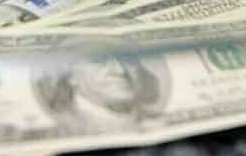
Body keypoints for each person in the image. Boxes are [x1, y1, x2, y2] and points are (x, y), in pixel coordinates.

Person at [33, 42, 170, 134]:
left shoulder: (158, 119)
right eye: (99, 60)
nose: (120, 70)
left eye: (126, 58)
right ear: (69, 75)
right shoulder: (59, 128)